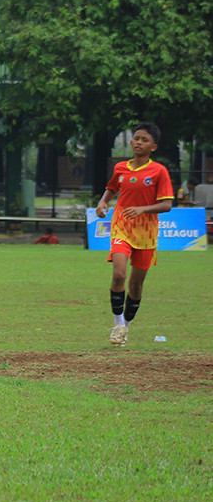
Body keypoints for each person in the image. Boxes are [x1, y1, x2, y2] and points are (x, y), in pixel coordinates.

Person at [94, 122, 173, 347]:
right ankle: (118, 323)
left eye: (144, 140)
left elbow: (167, 204)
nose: (138, 142)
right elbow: (112, 187)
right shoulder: (121, 168)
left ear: (154, 147)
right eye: (136, 138)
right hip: (122, 226)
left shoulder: (159, 171)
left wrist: (142, 209)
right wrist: (102, 201)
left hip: (146, 233)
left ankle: (126, 328)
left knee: (136, 285)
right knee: (119, 274)